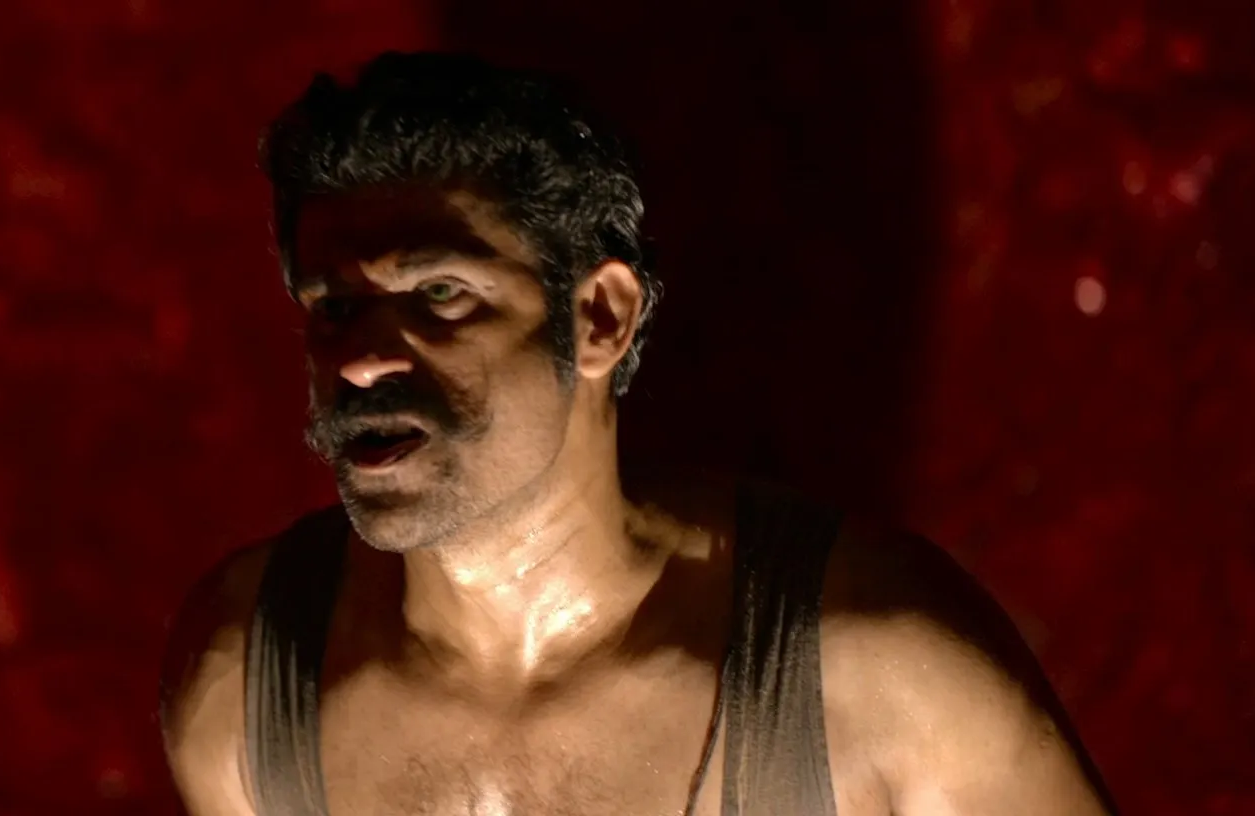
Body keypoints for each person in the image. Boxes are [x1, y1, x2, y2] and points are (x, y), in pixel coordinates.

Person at [159, 51, 1114, 816]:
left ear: (599, 318)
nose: (363, 362)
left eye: (439, 294)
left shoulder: (883, 679)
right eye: (334, 307)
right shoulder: (241, 679)